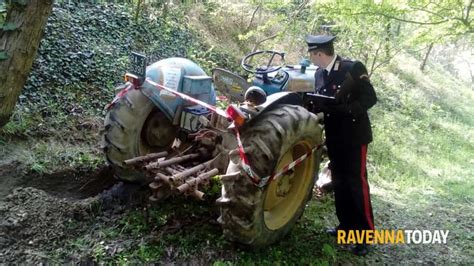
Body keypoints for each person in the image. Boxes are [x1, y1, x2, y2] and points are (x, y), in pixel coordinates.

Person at [306, 34, 377, 256]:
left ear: (319, 53)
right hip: (335, 137)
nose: (311, 58)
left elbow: (370, 98)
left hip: (354, 136)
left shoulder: (352, 68)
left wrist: (346, 110)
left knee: (356, 184)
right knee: (340, 183)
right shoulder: (319, 74)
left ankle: (365, 236)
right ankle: (345, 228)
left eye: (312, 54)